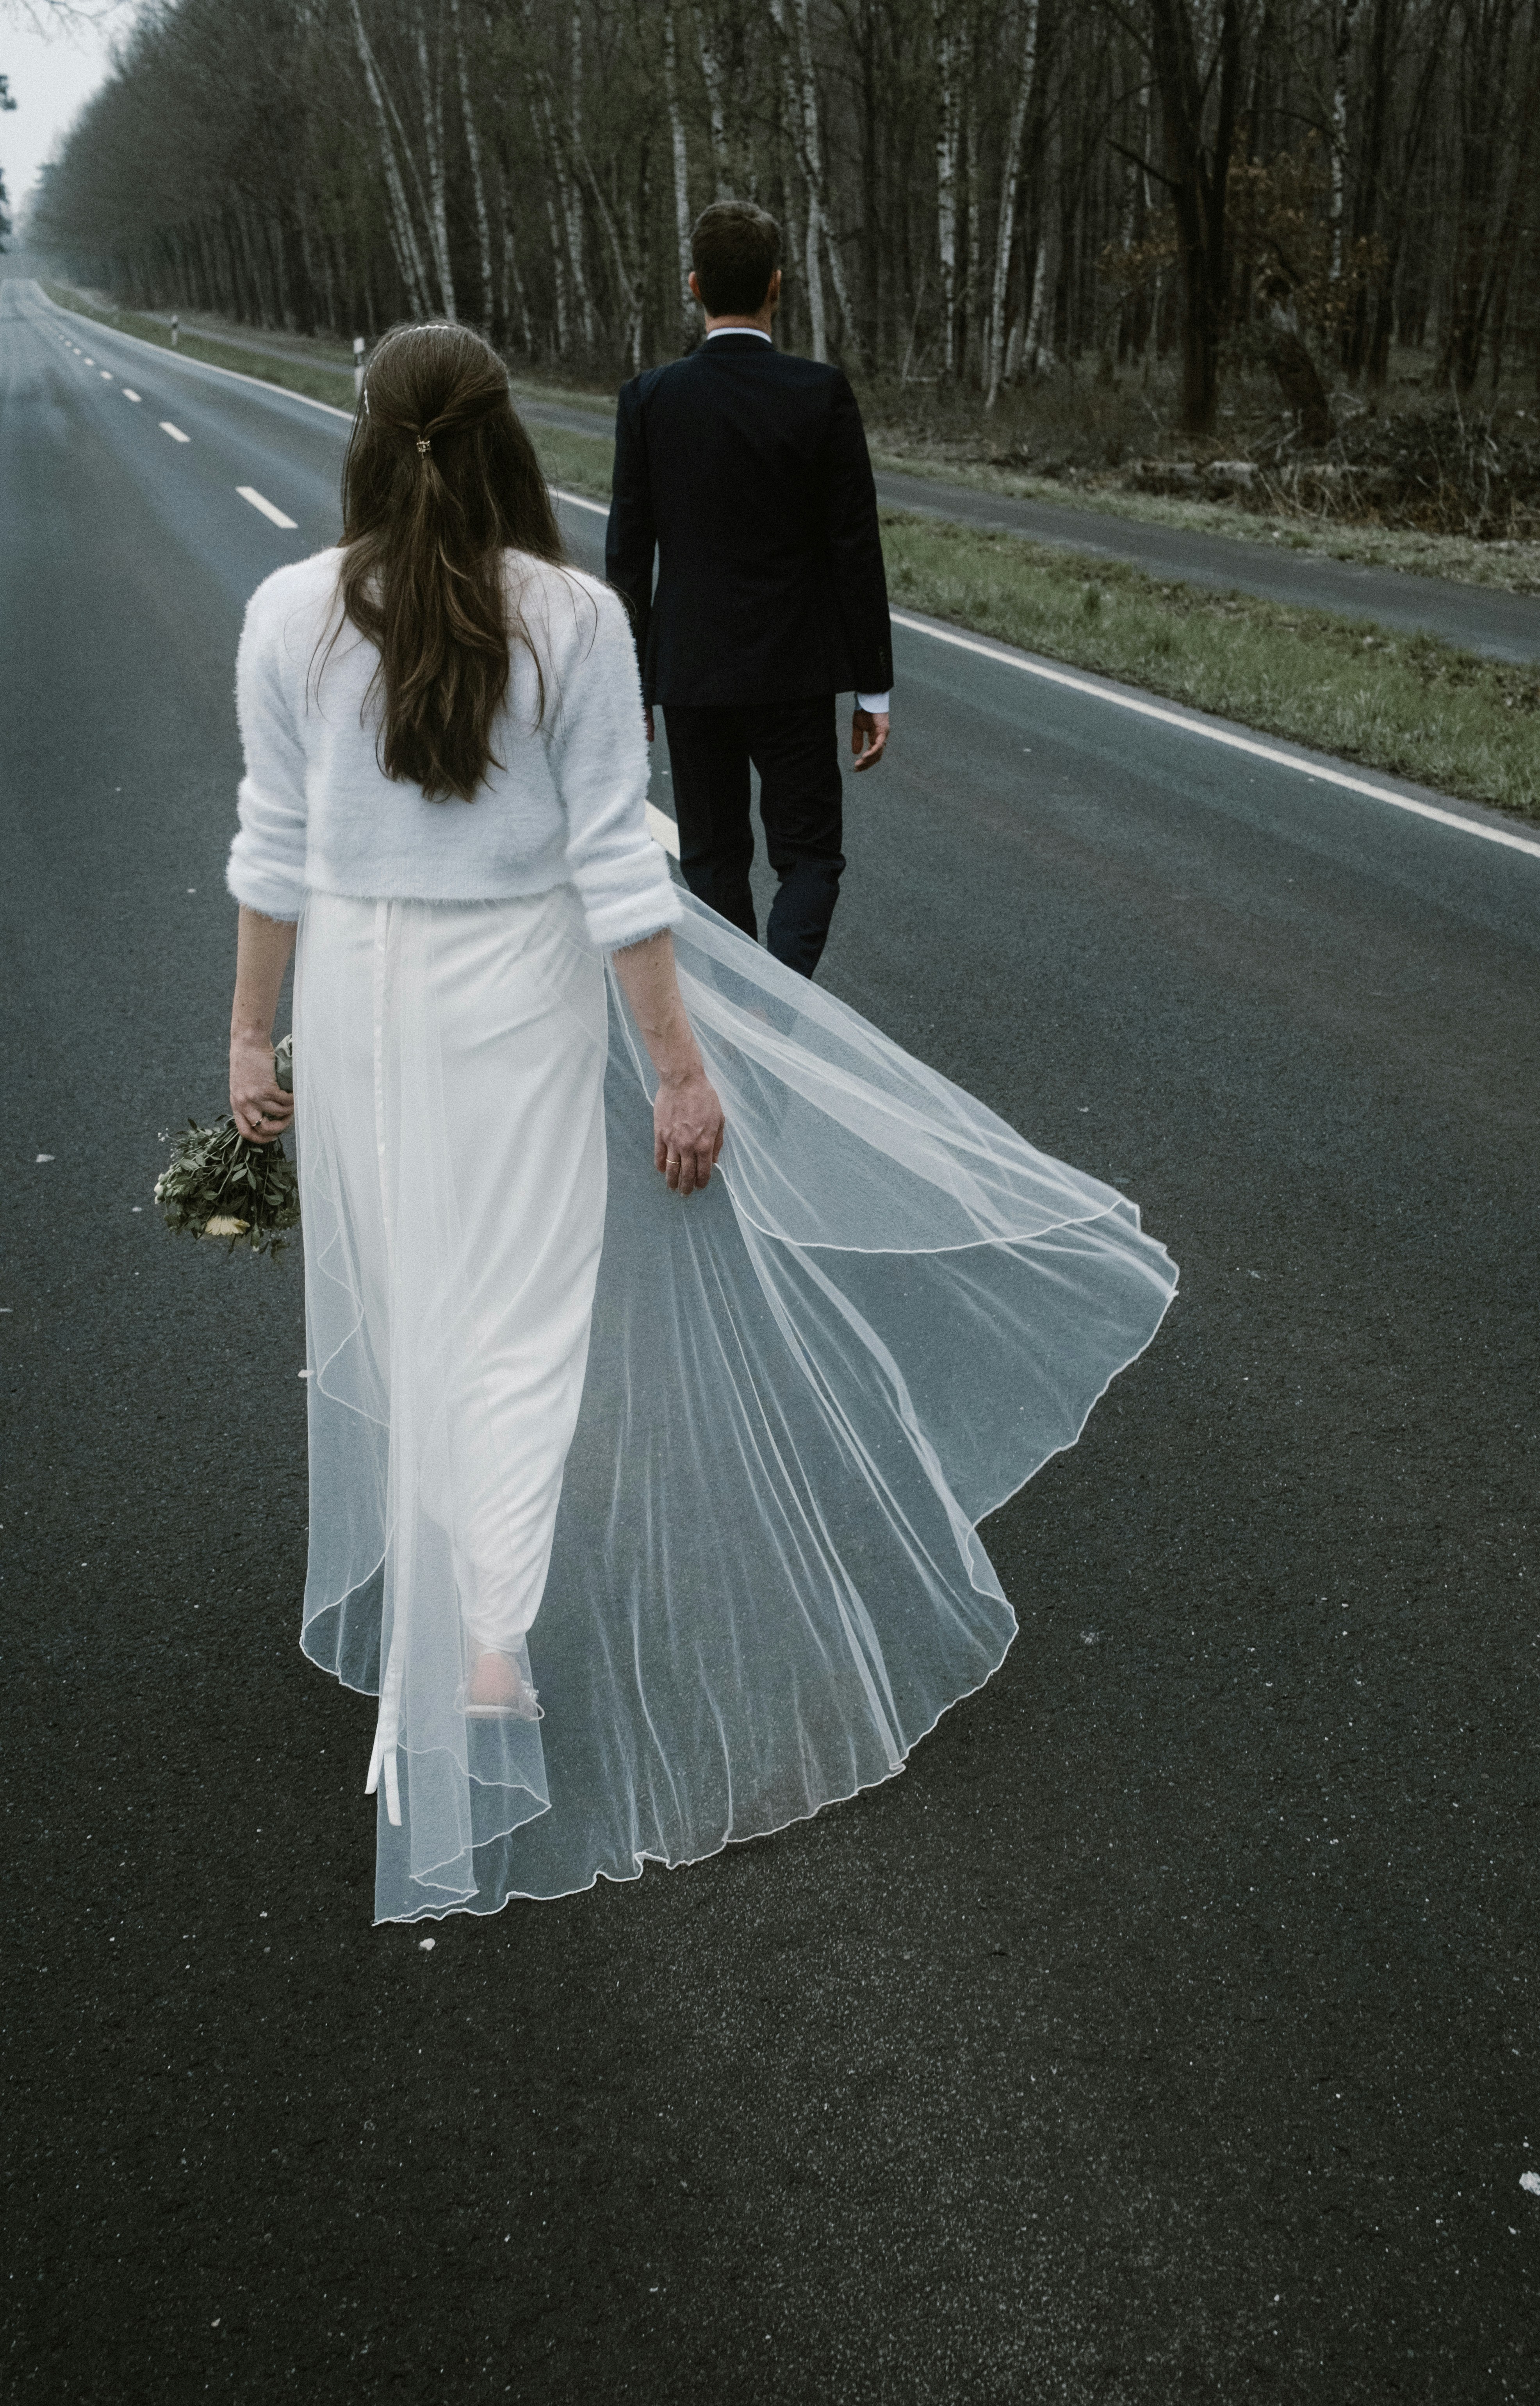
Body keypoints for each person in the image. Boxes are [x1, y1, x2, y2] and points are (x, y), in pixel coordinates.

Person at [224, 322, 1177, 1927]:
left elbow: (270, 847)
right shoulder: (574, 619)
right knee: (527, 1316)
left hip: (362, 1005)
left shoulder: (286, 613)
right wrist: (676, 1066)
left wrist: (252, 1034)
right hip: (517, 987)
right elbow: (615, 864)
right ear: (511, 439)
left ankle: (458, 1590)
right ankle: (486, 1642)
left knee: (414, 1300)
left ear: (368, 442)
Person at [606, 199, 891, 979]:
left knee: (711, 859)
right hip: (796, 672)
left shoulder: (648, 401)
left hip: (690, 670)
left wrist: (632, 687)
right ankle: (780, 1008)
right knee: (810, 859)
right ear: (777, 286)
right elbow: (855, 550)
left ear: (694, 287)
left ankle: (749, 1016)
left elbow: (627, 560)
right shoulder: (820, 394)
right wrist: (873, 689)